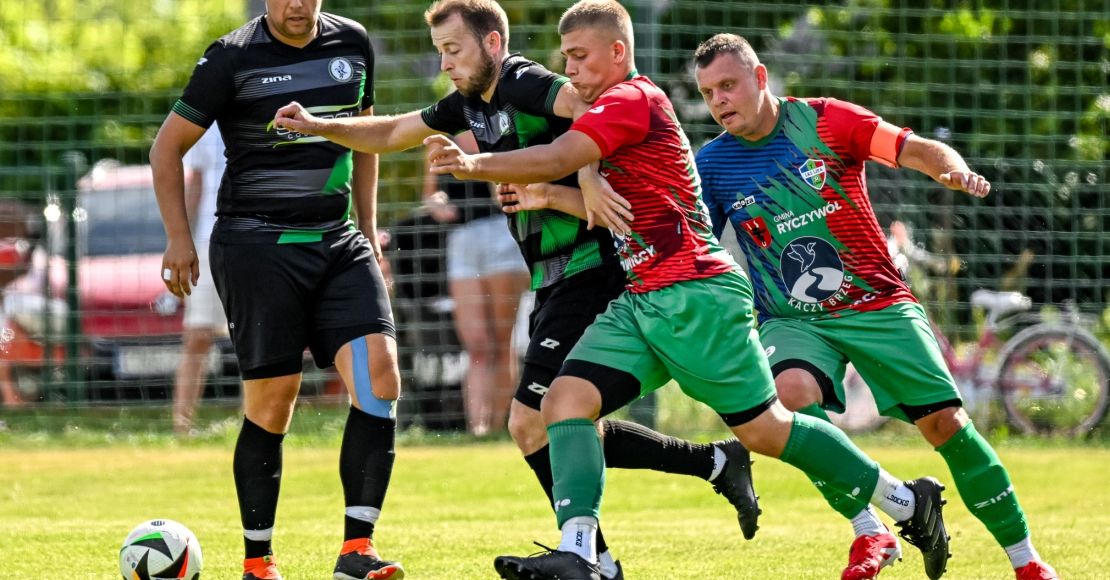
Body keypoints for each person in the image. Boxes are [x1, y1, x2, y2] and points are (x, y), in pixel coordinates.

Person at [423, 3, 950, 578]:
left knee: (767, 430)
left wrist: (475, 165)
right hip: (642, 296)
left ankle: (906, 501)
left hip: (696, 293)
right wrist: (553, 194)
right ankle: (580, 553)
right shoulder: (605, 111)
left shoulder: (632, 99)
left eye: (578, 56)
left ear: (617, 53)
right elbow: (616, 203)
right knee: (564, 403)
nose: (568, 69)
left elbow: (560, 155)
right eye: (565, 57)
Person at [272, 2, 765, 577]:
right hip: (553, 276)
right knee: (553, 420)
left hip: (595, 267)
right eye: (440, 52)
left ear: (492, 44)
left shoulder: (523, 80)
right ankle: (704, 470)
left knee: (536, 420)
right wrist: (318, 126)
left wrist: (585, 176)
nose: (445, 63)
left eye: (453, 50)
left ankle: (594, 556)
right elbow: (393, 131)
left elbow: (588, 108)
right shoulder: (467, 103)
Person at [692, 33, 1057, 580]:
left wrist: (949, 168)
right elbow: (694, 241)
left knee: (945, 424)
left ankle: (1027, 562)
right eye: (707, 93)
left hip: (877, 303)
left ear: (760, 77)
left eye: (728, 85)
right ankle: (871, 530)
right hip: (792, 320)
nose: (719, 100)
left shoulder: (827, 121)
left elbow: (914, 148)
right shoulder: (712, 165)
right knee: (790, 398)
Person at [149, 1, 404, 579]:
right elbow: (166, 148)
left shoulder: (352, 43)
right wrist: (178, 239)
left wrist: (368, 230)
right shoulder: (230, 57)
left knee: (380, 378)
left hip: (339, 242)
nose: (296, 5)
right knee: (272, 403)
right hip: (257, 246)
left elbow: (365, 138)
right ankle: (258, 560)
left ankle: (357, 550)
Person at [421, 130, 530, 436]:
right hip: (462, 240)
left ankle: (497, 424)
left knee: (501, 340)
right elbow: (430, 193)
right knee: (478, 345)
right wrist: (437, 204)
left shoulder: (501, 128)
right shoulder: (440, 137)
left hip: (501, 233)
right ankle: (477, 429)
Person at [171, 126, 228, 436]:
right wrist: (181, 242)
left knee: (257, 335)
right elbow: (197, 182)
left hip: (258, 238)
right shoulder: (206, 122)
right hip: (209, 240)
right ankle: (182, 427)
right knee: (197, 335)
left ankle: (256, 425)